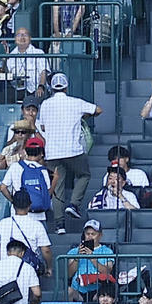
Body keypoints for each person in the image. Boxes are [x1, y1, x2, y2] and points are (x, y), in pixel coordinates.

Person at [41, 72, 102, 234]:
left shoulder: (46, 104)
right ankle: (74, 204)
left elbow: (43, 127)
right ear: (66, 87)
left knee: (57, 187)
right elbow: (98, 110)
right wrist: (84, 116)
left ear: (51, 88)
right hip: (72, 150)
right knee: (84, 175)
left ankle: (59, 225)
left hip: (52, 152)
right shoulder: (76, 102)